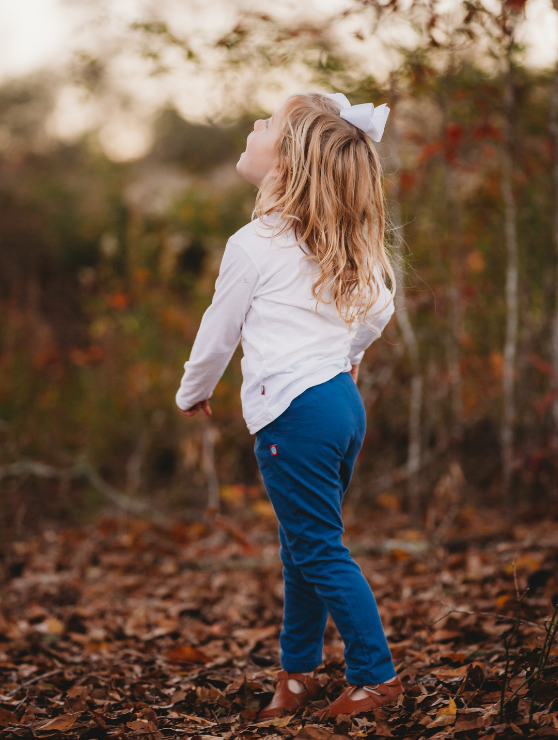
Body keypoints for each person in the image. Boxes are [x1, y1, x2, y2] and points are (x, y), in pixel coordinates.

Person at [175, 92, 402, 718]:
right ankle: (297, 674)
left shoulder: (254, 243)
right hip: (340, 407)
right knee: (303, 544)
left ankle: (375, 679)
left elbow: (217, 333)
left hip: (296, 417)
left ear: (289, 160)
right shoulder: (337, 240)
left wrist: (192, 392)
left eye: (268, 123)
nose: (255, 124)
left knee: (319, 548)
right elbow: (380, 308)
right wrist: (349, 355)